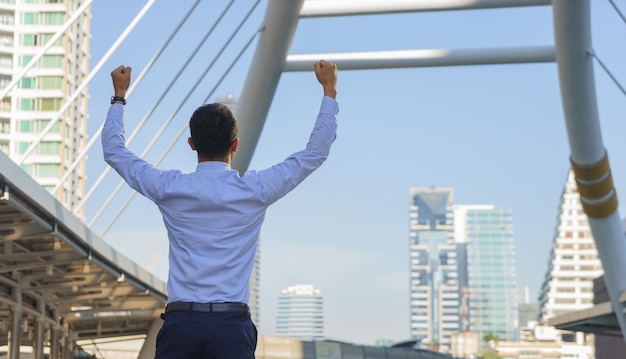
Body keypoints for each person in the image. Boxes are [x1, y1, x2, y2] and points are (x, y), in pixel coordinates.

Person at [102, 59, 339, 359]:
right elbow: (315, 153)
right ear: (235, 145)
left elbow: (114, 152)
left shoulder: (169, 188)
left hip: (181, 325)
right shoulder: (256, 190)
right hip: (230, 327)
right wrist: (329, 90)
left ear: (191, 144)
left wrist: (119, 95)